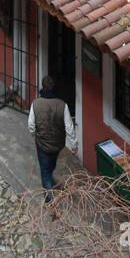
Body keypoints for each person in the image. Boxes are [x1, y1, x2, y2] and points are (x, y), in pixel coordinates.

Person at [28, 75, 76, 204]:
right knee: (50, 165)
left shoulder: (36, 104)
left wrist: (36, 137)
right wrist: (74, 144)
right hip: (57, 144)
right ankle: (50, 177)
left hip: (42, 144)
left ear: (43, 87)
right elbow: (69, 127)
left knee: (45, 171)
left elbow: (31, 126)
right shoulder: (63, 105)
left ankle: (49, 199)